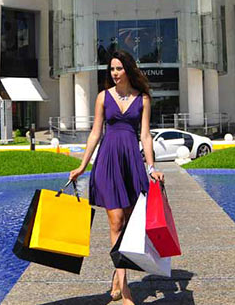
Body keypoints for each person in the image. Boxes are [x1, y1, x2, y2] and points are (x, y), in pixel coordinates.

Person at [69, 50, 164, 305]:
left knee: (130, 225)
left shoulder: (142, 99)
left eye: (119, 68)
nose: (114, 73)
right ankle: (126, 291)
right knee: (116, 222)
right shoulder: (103, 97)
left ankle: (117, 274)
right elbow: (95, 134)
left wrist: (151, 168)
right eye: (111, 69)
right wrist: (82, 166)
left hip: (131, 162)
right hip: (109, 162)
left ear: (128, 70)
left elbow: (145, 136)